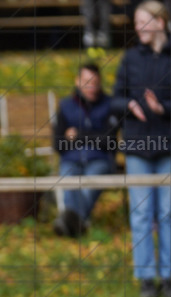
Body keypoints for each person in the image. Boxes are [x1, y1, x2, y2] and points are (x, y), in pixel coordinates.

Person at [111, 0, 171, 297]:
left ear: (160, 22)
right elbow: (114, 100)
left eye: (143, 21)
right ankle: (146, 277)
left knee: (167, 213)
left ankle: (167, 276)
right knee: (140, 213)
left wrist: (163, 108)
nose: (138, 27)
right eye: (136, 22)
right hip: (137, 146)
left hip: (170, 147)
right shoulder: (130, 58)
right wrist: (129, 105)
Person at [52, 63, 117, 238]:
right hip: (71, 159)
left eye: (95, 82)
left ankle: (68, 224)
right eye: (87, 81)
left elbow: (109, 142)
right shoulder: (66, 106)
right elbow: (58, 144)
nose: (91, 87)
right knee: (69, 182)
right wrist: (94, 137)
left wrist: (79, 136)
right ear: (77, 81)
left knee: (88, 185)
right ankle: (80, 224)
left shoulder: (109, 104)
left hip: (100, 160)